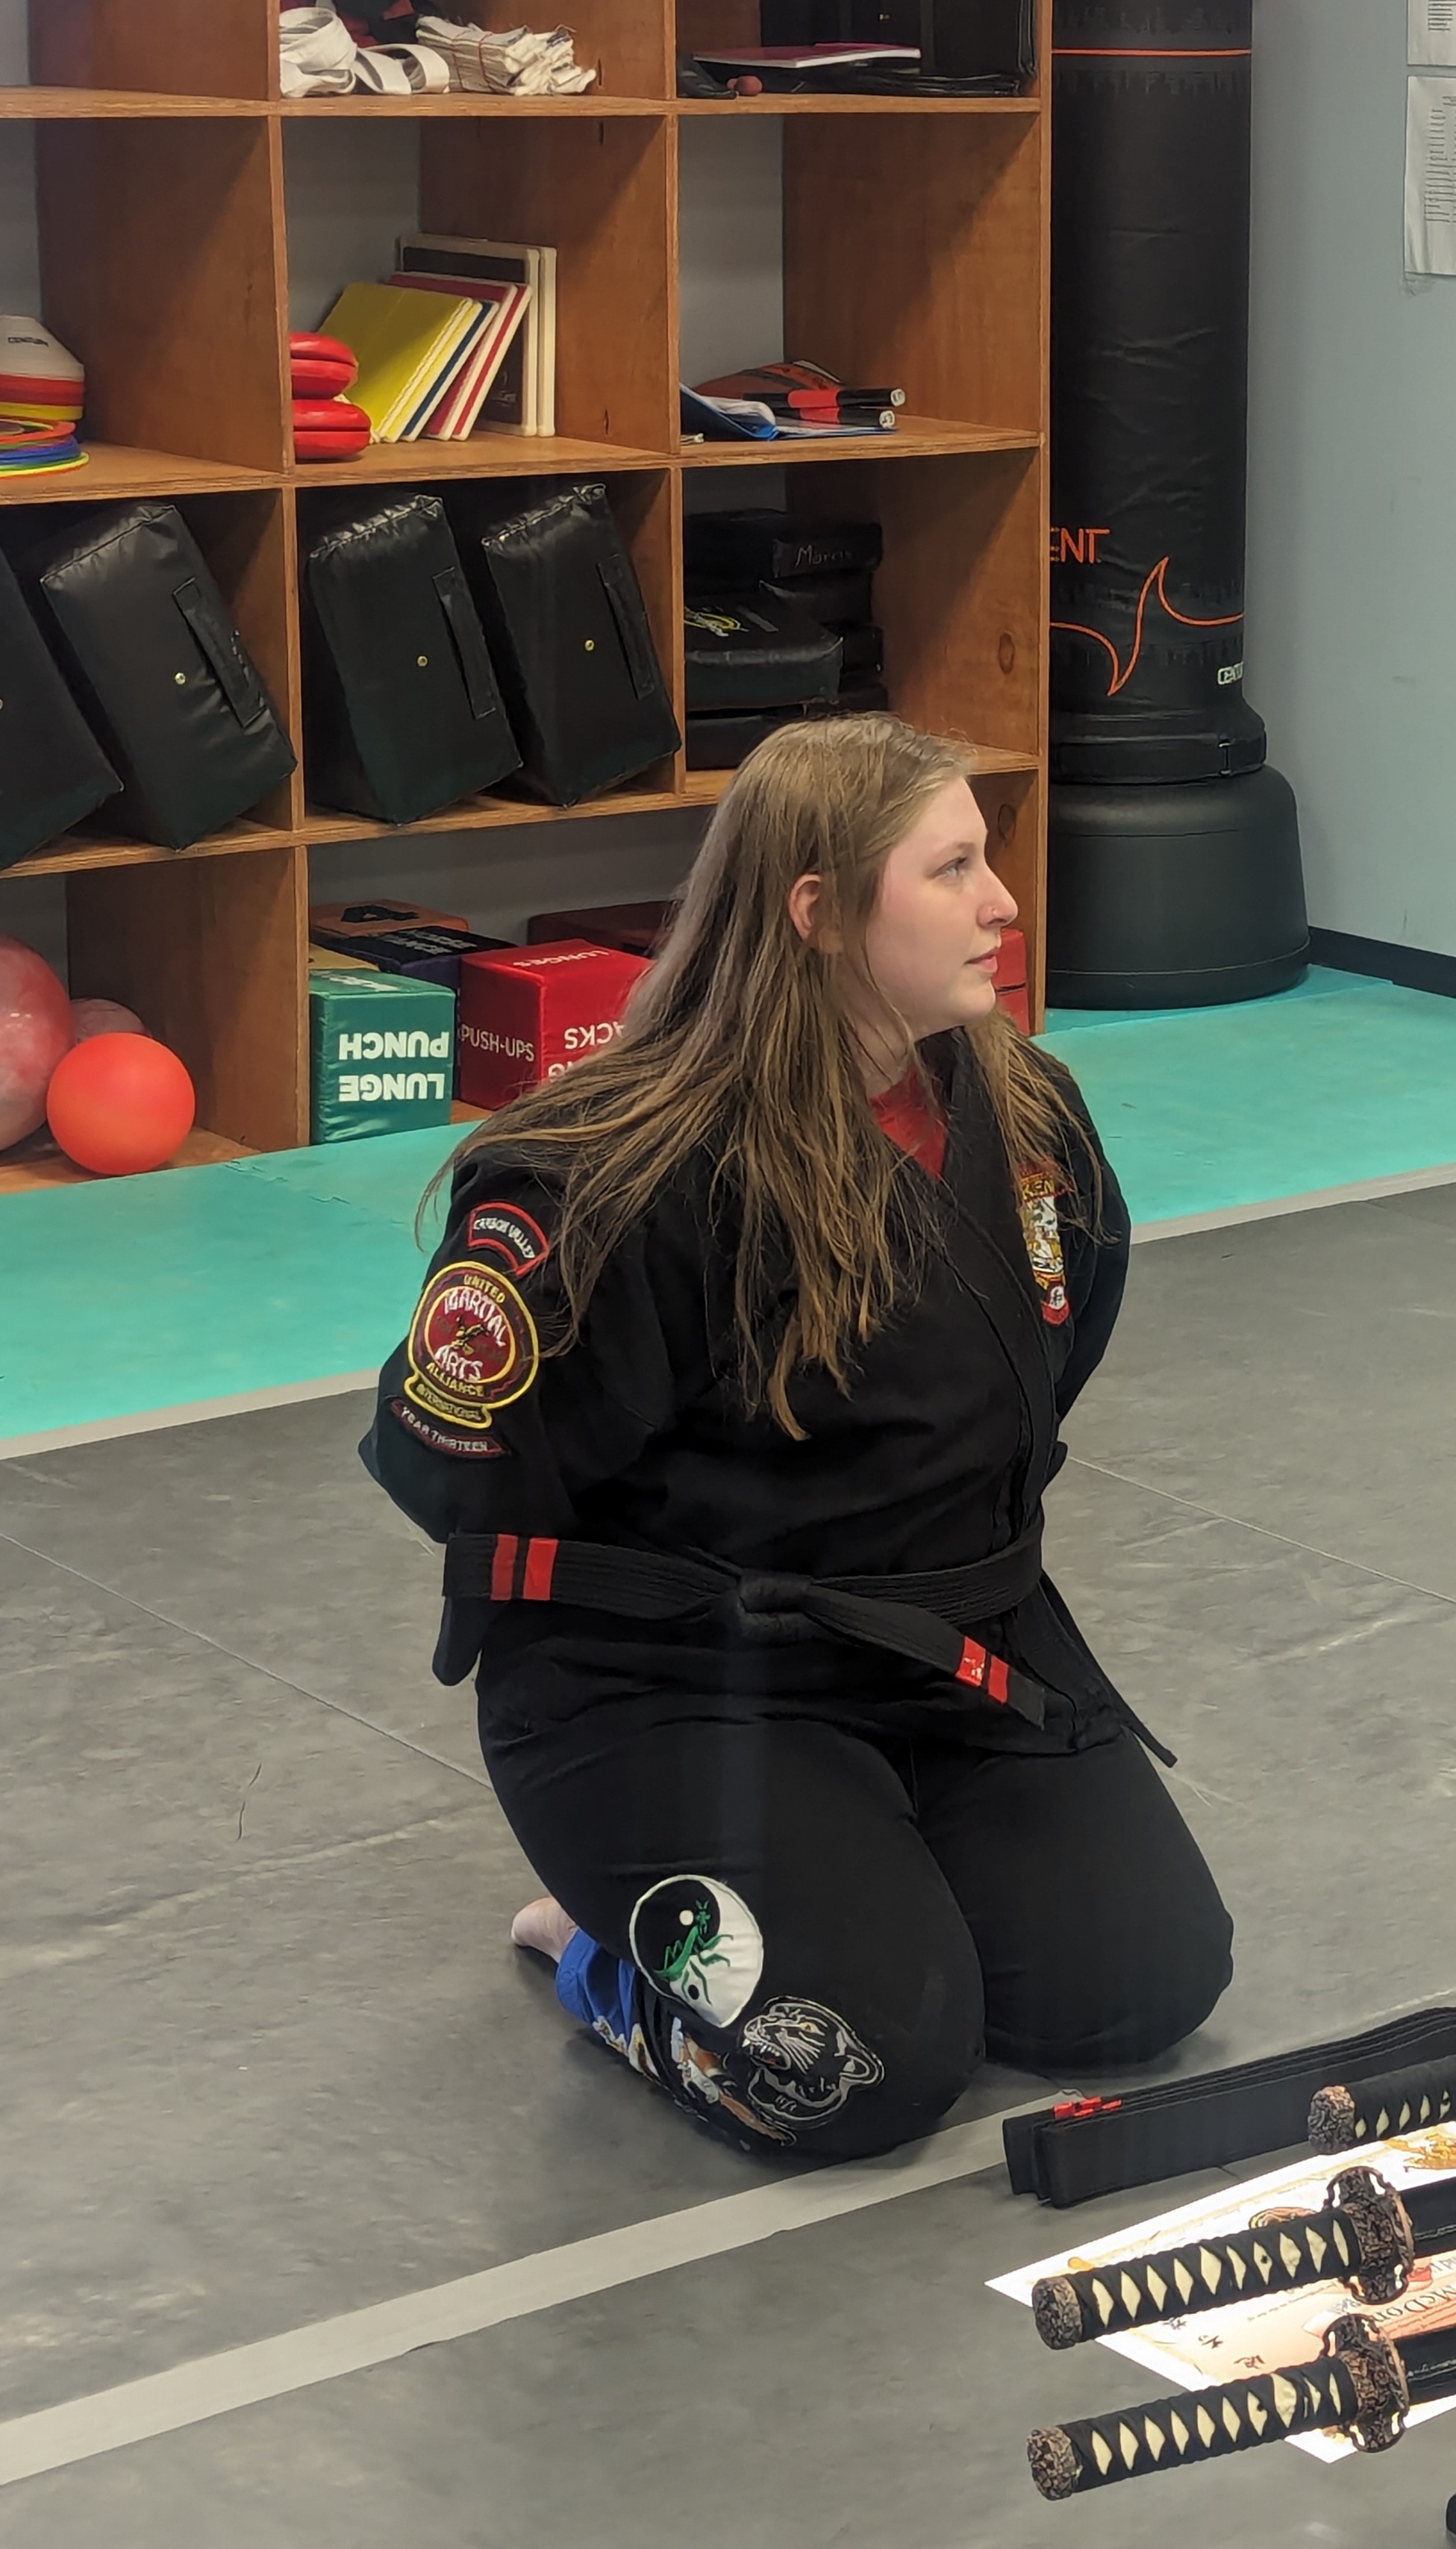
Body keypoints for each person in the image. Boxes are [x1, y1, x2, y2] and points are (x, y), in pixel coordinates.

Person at [362, 717, 1232, 2159]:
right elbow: (450, 1461)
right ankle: (600, 1946)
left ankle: (855, 1856)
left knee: (1137, 1985)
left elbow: (1037, 1373)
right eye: (951, 867)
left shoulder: (1023, 1109)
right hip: (671, 1690)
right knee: (862, 2068)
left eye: (989, 858)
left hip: (950, 1646)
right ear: (819, 913)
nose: (1004, 901)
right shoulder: (613, 1171)